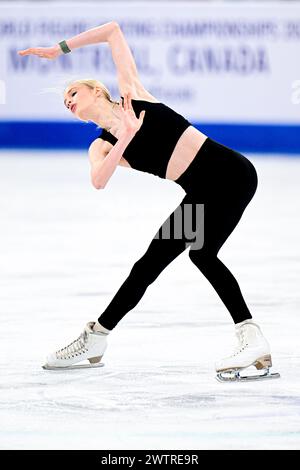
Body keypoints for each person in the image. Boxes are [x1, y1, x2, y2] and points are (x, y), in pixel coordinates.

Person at [18, 22, 280, 381]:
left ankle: (251, 337)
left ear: (96, 90)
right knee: (149, 264)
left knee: (202, 254)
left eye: (74, 93)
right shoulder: (102, 145)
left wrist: (58, 49)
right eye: (66, 103)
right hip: (201, 194)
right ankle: (96, 338)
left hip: (232, 176)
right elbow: (99, 180)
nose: (69, 102)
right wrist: (124, 136)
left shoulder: (133, 94)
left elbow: (112, 31)